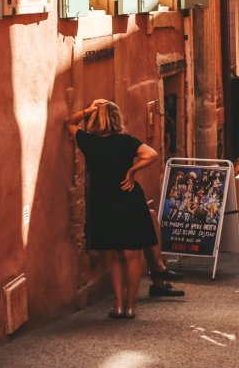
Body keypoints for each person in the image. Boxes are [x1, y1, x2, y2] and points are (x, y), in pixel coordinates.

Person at [65, 98, 158, 319]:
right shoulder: (126, 141)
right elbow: (152, 154)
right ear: (116, 118)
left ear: (95, 119)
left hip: (104, 201)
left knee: (116, 257)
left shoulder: (89, 142)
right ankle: (131, 307)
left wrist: (90, 109)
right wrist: (132, 171)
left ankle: (117, 306)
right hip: (128, 198)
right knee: (132, 256)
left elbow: (69, 122)